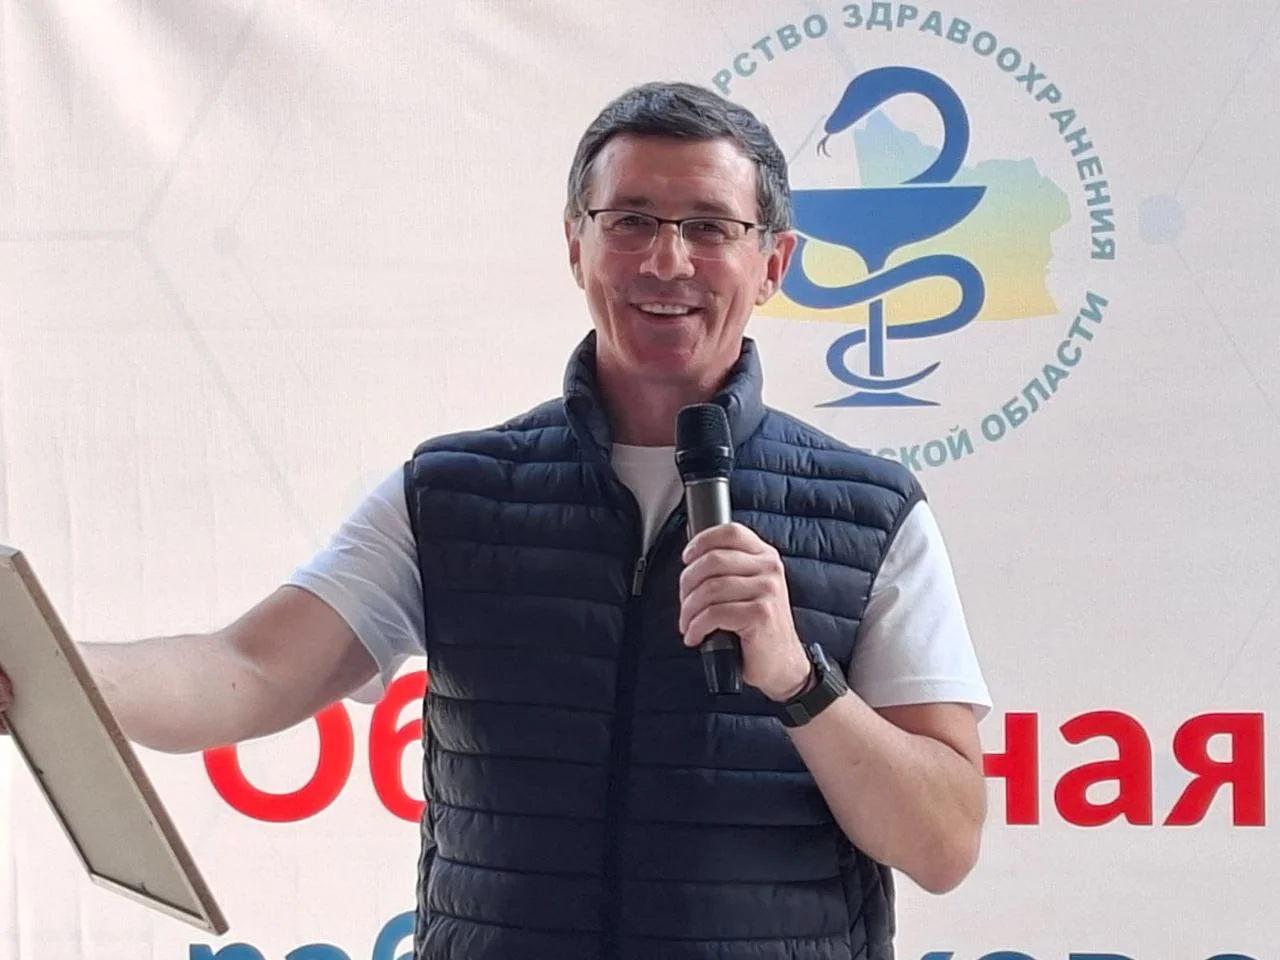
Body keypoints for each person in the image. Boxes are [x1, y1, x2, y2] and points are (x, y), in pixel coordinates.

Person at [0, 81, 991, 959]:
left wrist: (797, 680)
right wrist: (41, 669)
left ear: (772, 262)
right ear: (575, 245)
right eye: (630, 220)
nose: (666, 260)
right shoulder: (450, 494)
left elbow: (943, 843)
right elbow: (249, 671)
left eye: (707, 226)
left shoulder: (871, 514)